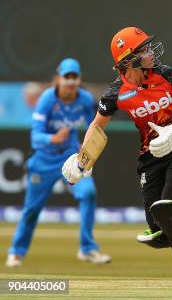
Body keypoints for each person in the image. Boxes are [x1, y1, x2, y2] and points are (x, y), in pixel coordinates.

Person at [61, 27, 172, 287]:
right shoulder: (115, 93)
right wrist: (82, 161)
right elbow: (97, 127)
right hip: (150, 156)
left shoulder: (167, 75)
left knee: (170, 207)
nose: (150, 53)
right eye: (143, 50)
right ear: (128, 60)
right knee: (159, 231)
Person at [6, 59, 111, 267]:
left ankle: (87, 249)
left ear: (79, 79)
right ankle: (16, 252)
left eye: (74, 77)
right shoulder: (47, 99)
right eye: (67, 77)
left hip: (71, 157)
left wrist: (87, 151)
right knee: (32, 209)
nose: (70, 82)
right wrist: (51, 139)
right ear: (58, 79)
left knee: (88, 193)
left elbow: (96, 128)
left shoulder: (85, 99)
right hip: (44, 158)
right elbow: (35, 136)